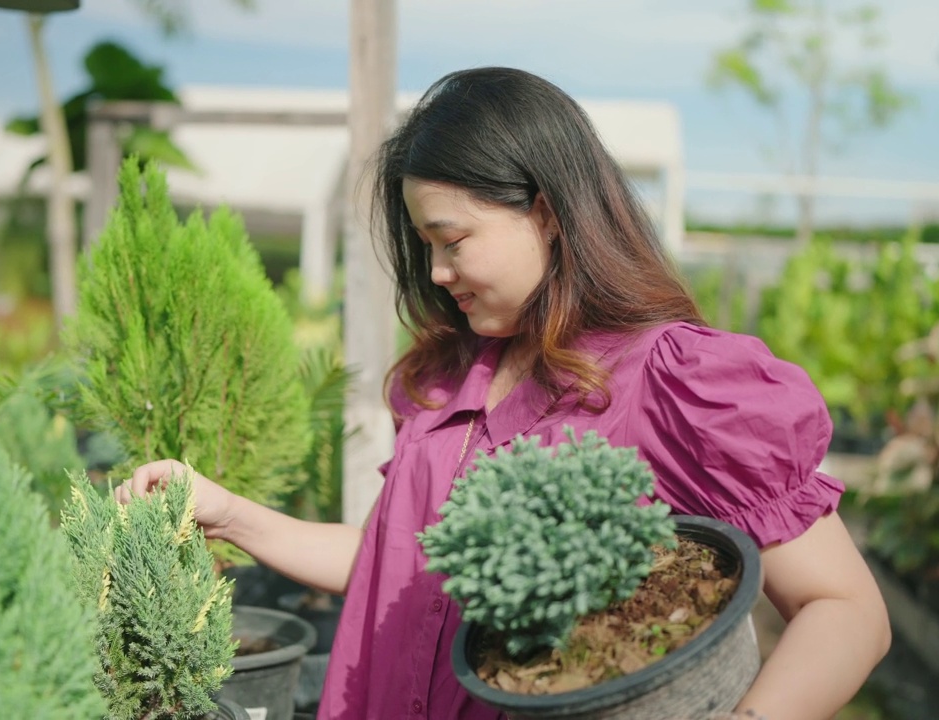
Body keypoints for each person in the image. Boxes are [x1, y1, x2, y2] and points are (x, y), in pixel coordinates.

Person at [116, 66, 891, 720]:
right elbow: (401, 570)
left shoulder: (674, 381)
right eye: (426, 249)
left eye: (453, 242)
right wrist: (224, 510)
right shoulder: (444, 380)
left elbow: (846, 612)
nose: (439, 274)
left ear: (547, 214)